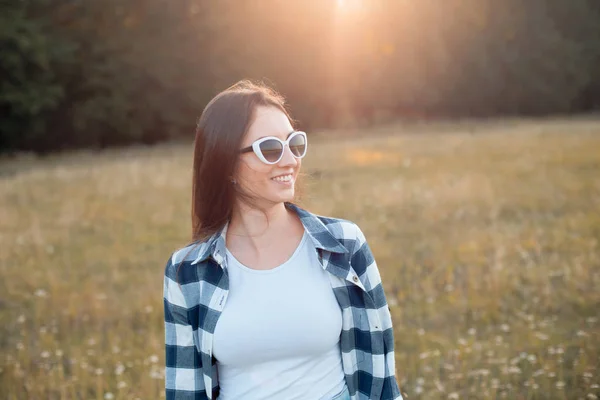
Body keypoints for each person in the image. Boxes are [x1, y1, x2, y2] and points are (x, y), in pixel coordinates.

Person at [163, 80, 403, 400]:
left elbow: (383, 379)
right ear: (226, 164)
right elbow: (184, 391)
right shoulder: (188, 271)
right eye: (271, 148)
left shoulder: (345, 245)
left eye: (295, 143)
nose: (290, 160)